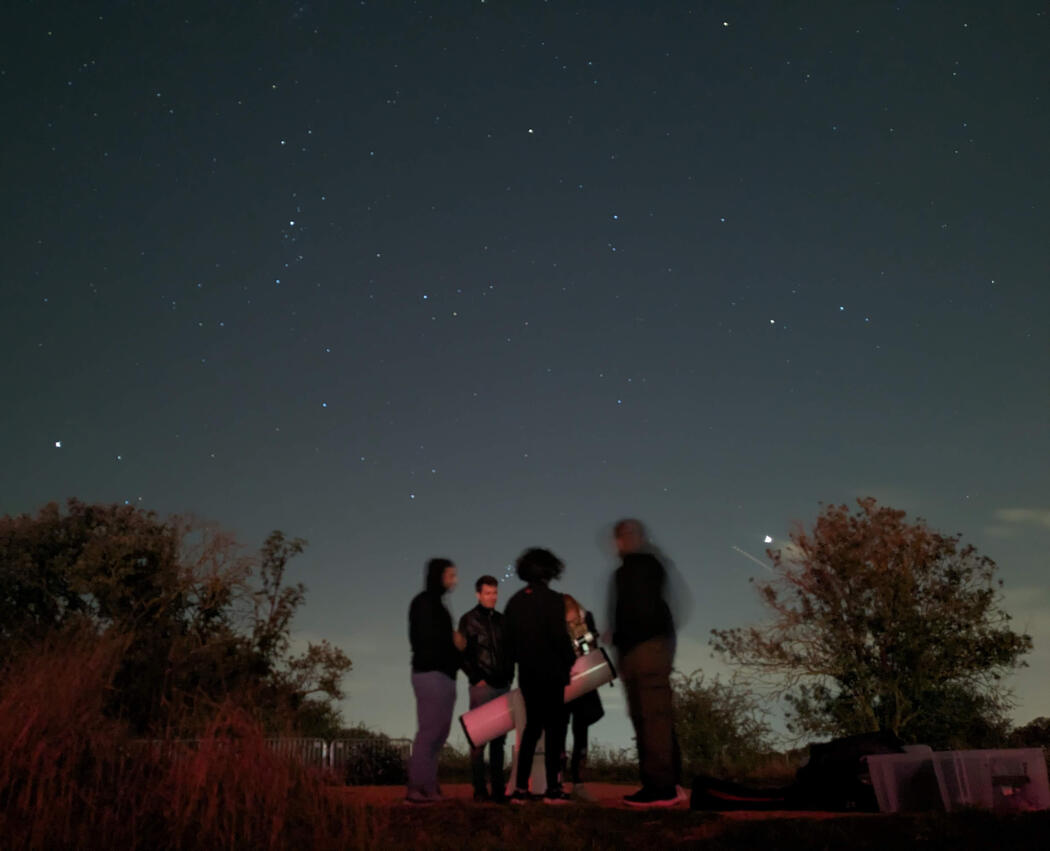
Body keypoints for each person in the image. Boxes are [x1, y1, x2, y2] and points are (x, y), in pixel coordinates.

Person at [609, 519, 686, 807]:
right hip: (650, 647)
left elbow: (636, 612)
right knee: (655, 717)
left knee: (651, 718)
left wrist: (623, 639)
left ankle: (661, 788)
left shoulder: (634, 570)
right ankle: (670, 783)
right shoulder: (651, 566)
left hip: (644, 650)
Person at [503, 547, 576, 805]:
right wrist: (570, 661)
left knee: (531, 730)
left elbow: (508, 644)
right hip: (553, 674)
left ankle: (521, 789)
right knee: (555, 731)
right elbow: (559, 637)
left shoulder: (514, 602)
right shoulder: (554, 600)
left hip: (528, 675)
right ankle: (553, 789)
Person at [405, 557, 464, 804]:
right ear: (439, 576)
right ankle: (417, 788)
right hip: (431, 674)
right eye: (451, 575)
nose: (455, 580)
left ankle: (428, 786)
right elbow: (426, 641)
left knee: (438, 733)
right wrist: (454, 644)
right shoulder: (425, 604)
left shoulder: (436, 604)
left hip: (443, 674)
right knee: (430, 731)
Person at [458, 574, 512, 802]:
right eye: (488, 593)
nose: (492, 597)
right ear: (478, 594)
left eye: (495, 593)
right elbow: (460, 653)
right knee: (479, 740)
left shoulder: (502, 620)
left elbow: (511, 650)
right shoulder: (468, 620)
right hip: (482, 687)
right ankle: (480, 790)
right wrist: (476, 677)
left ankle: (498, 791)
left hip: (502, 685)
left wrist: (510, 675)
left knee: (499, 741)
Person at [563, 595, 604, 801]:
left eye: (573, 621)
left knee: (581, 732)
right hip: (563, 683)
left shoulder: (587, 619)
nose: (570, 624)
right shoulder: (557, 623)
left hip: (583, 683)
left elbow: (591, 649)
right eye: (567, 622)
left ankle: (578, 783)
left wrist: (583, 641)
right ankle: (557, 781)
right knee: (559, 731)